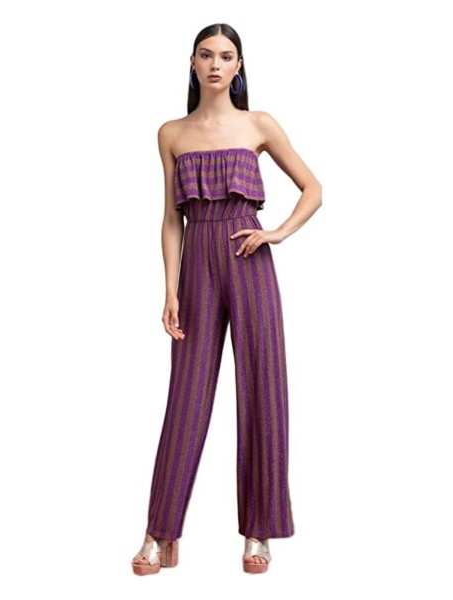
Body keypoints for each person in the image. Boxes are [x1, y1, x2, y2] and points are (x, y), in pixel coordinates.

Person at [131, 22, 322, 576]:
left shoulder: (259, 123)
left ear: (239, 67)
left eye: (226, 56)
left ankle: (259, 531)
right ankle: (160, 533)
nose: (216, 64)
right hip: (196, 262)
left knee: (263, 389)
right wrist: (170, 287)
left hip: (247, 255)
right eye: (206, 55)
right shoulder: (171, 133)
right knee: (186, 397)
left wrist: (277, 233)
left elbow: (313, 188)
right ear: (192, 63)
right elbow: (171, 218)